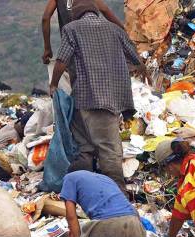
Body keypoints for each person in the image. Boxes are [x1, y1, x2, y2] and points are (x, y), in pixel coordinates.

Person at [49, 0, 150, 190]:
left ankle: (112, 190)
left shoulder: (71, 28)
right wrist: (143, 71)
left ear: (76, 14)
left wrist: (54, 84)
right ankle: (102, 187)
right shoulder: (114, 29)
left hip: (84, 98)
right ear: (95, 12)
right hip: (111, 99)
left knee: (86, 146)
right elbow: (134, 57)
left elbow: (62, 59)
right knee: (109, 147)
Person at [41, 0, 124, 65]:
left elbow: (45, 18)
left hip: (70, 47)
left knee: (76, 80)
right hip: (93, 47)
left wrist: (47, 48)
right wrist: (124, 30)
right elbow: (105, 10)